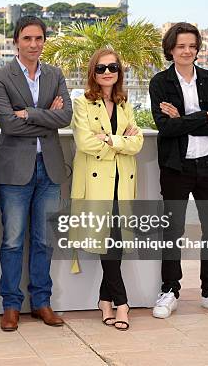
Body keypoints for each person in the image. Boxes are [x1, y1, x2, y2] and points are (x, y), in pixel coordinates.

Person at [149, 22, 208, 319]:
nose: (187, 51)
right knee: (172, 230)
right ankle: (170, 290)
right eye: (181, 46)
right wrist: (204, 116)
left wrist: (186, 118)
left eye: (192, 46)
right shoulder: (160, 82)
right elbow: (166, 128)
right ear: (171, 50)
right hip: (177, 167)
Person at [0, 16, 73, 332]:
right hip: (15, 171)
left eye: (39, 38)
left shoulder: (55, 74)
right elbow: (9, 124)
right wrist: (46, 115)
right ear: (16, 41)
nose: (34, 44)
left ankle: (41, 302)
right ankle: (10, 306)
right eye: (27, 38)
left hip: (50, 169)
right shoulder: (0, 77)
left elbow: (64, 117)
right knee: (12, 241)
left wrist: (30, 113)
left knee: (44, 240)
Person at [70, 49, 143, 331]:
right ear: (93, 72)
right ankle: (122, 303)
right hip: (96, 184)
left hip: (121, 182)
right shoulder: (83, 103)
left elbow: (137, 144)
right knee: (108, 243)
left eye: (112, 67)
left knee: (117, 242)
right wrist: (120, 142)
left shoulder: (125, 103)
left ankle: (104, 300)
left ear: (119, 71)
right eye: (101, 68)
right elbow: (86, 143)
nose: (107, 72)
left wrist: (108, 139)